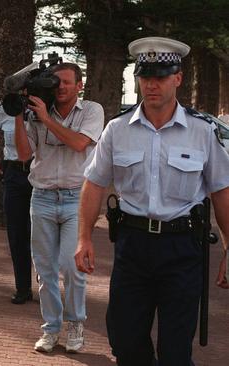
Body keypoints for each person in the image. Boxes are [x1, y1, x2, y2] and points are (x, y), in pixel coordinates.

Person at [75, 36, 229, 365]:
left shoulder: (202, 132)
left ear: (178, 78)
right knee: (126, 343)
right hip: (133, 247)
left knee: (174, 352)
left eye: (160, 77)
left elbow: (220, 191)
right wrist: (84, 237)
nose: (151, 85)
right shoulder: (117, 129)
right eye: (145, 77)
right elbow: (94, 183)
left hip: (183, 249)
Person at [14, 62, 104, 353]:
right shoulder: (38, 111)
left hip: (77, 198)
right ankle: (51, 329)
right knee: (45, 270)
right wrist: (18, 115)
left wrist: (47, 120)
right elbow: (25, 154)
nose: (61, 87)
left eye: (67, 82)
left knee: (71, 265)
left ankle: (76, 323)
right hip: (41, 197)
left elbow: (79, 143)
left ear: (80, 85)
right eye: (57, 82)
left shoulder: (91, 111)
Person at [0, 101, 33, 304]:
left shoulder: (48, 105)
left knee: (42, 233)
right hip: (14, 173)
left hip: (41, 173)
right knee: (17, 233)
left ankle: (46, 282)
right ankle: (23, 287)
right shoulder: (5, 107)